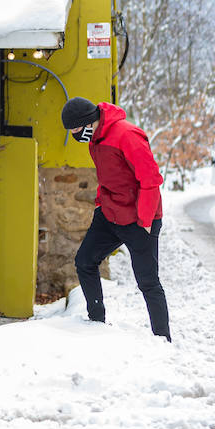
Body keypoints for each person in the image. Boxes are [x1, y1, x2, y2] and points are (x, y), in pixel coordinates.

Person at [61, 97, 171, 341]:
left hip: (139, 218)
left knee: (148, 281)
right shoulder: (95, 140)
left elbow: (150, 179)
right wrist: (101, 203)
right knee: (85, 261)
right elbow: (108, 177)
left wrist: (144, 221)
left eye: (76, 130)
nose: (75, 136)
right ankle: (96, 321)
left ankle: (162, 340)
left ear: (88, 122)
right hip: (110, 213)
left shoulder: (127, 135)